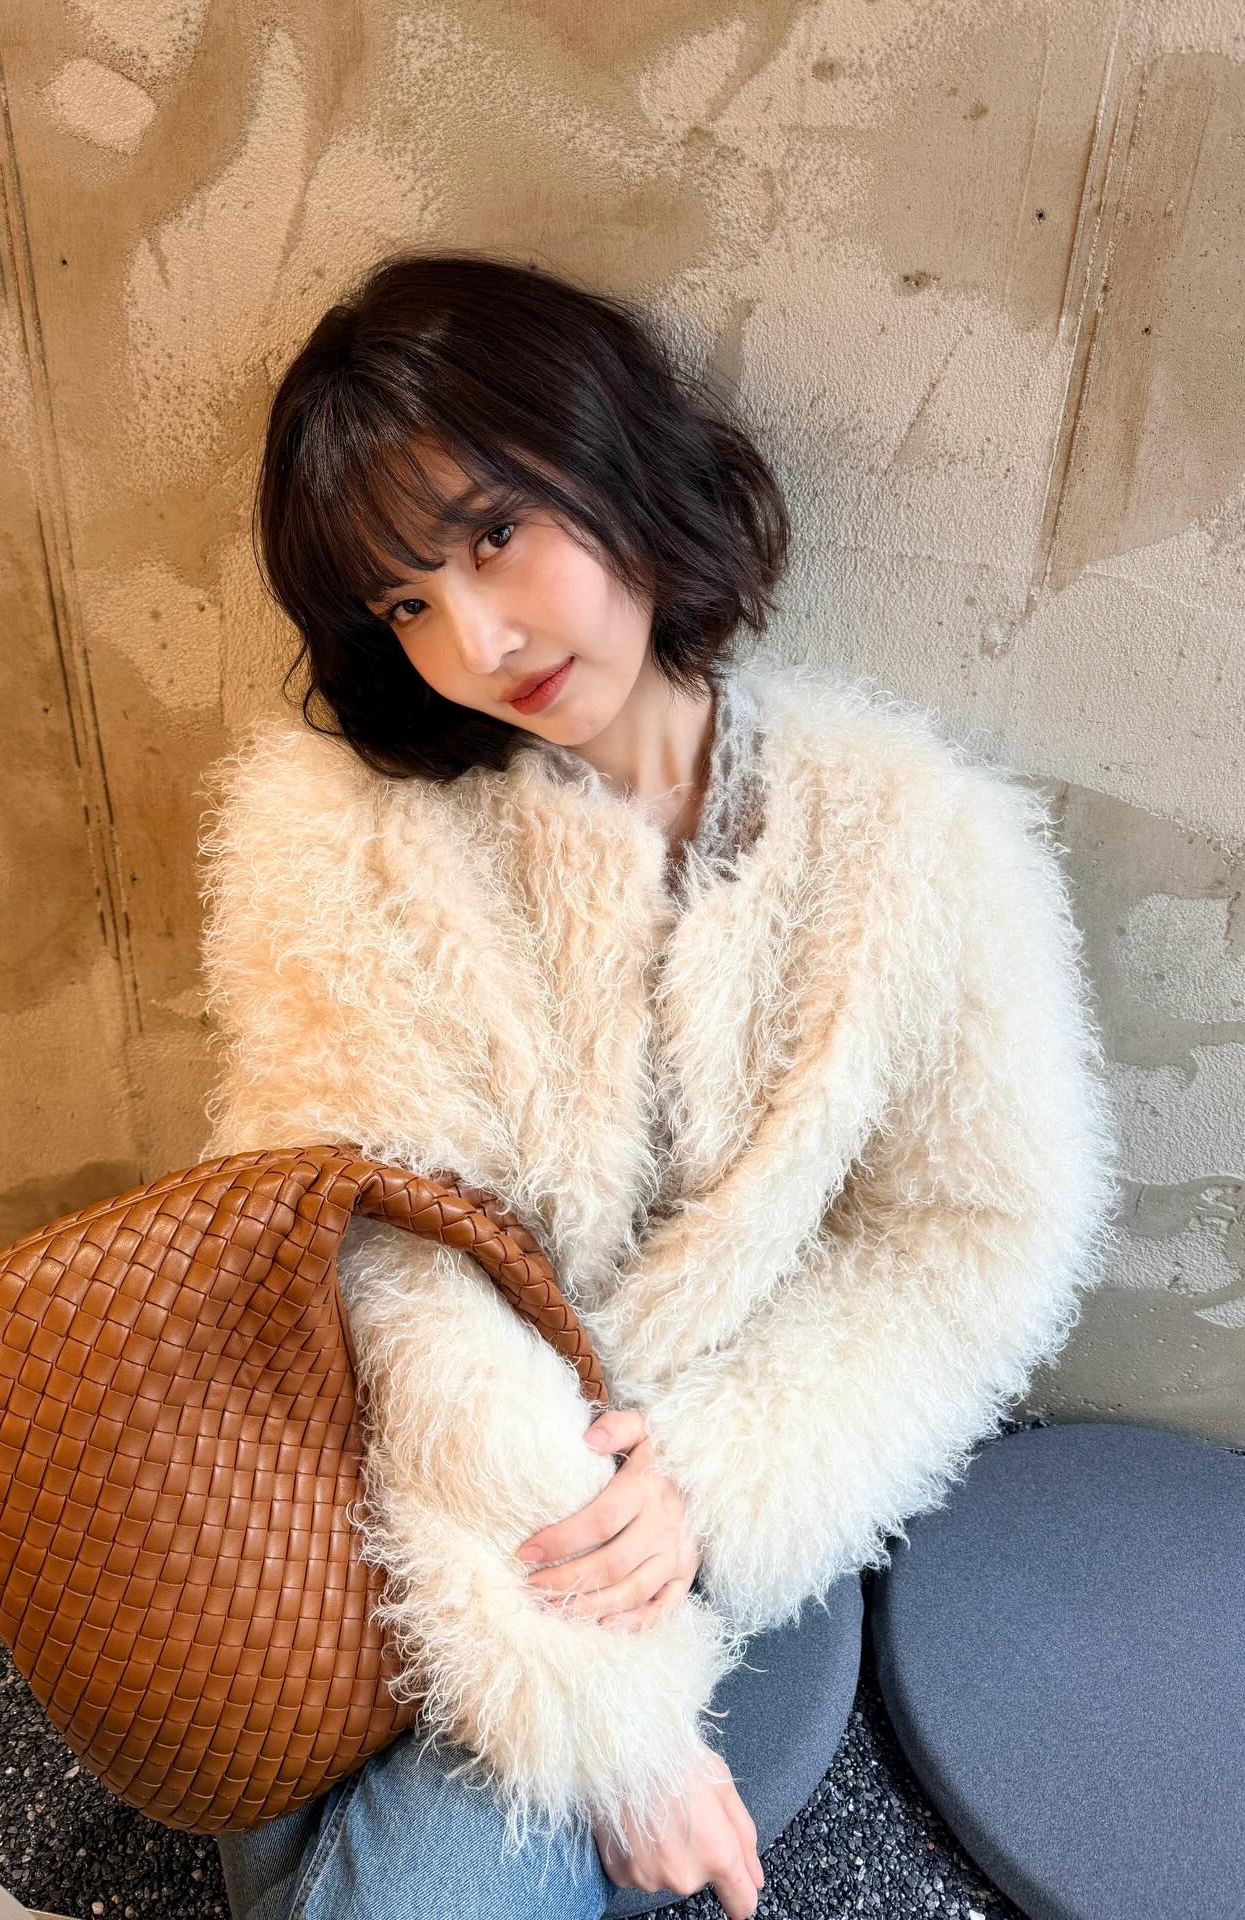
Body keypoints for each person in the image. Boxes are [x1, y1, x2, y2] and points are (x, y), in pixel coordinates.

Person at [195, 247, 1120, 1919]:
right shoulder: (341, 840)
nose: (474, 638)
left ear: (609, 452)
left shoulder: (912, 845)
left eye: (493, 532)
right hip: (383, 1474)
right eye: (404, 604)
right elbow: (367, 1250)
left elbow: (976, 1238)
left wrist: (712, 1476)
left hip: (692, 1491)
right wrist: (614, 1724)